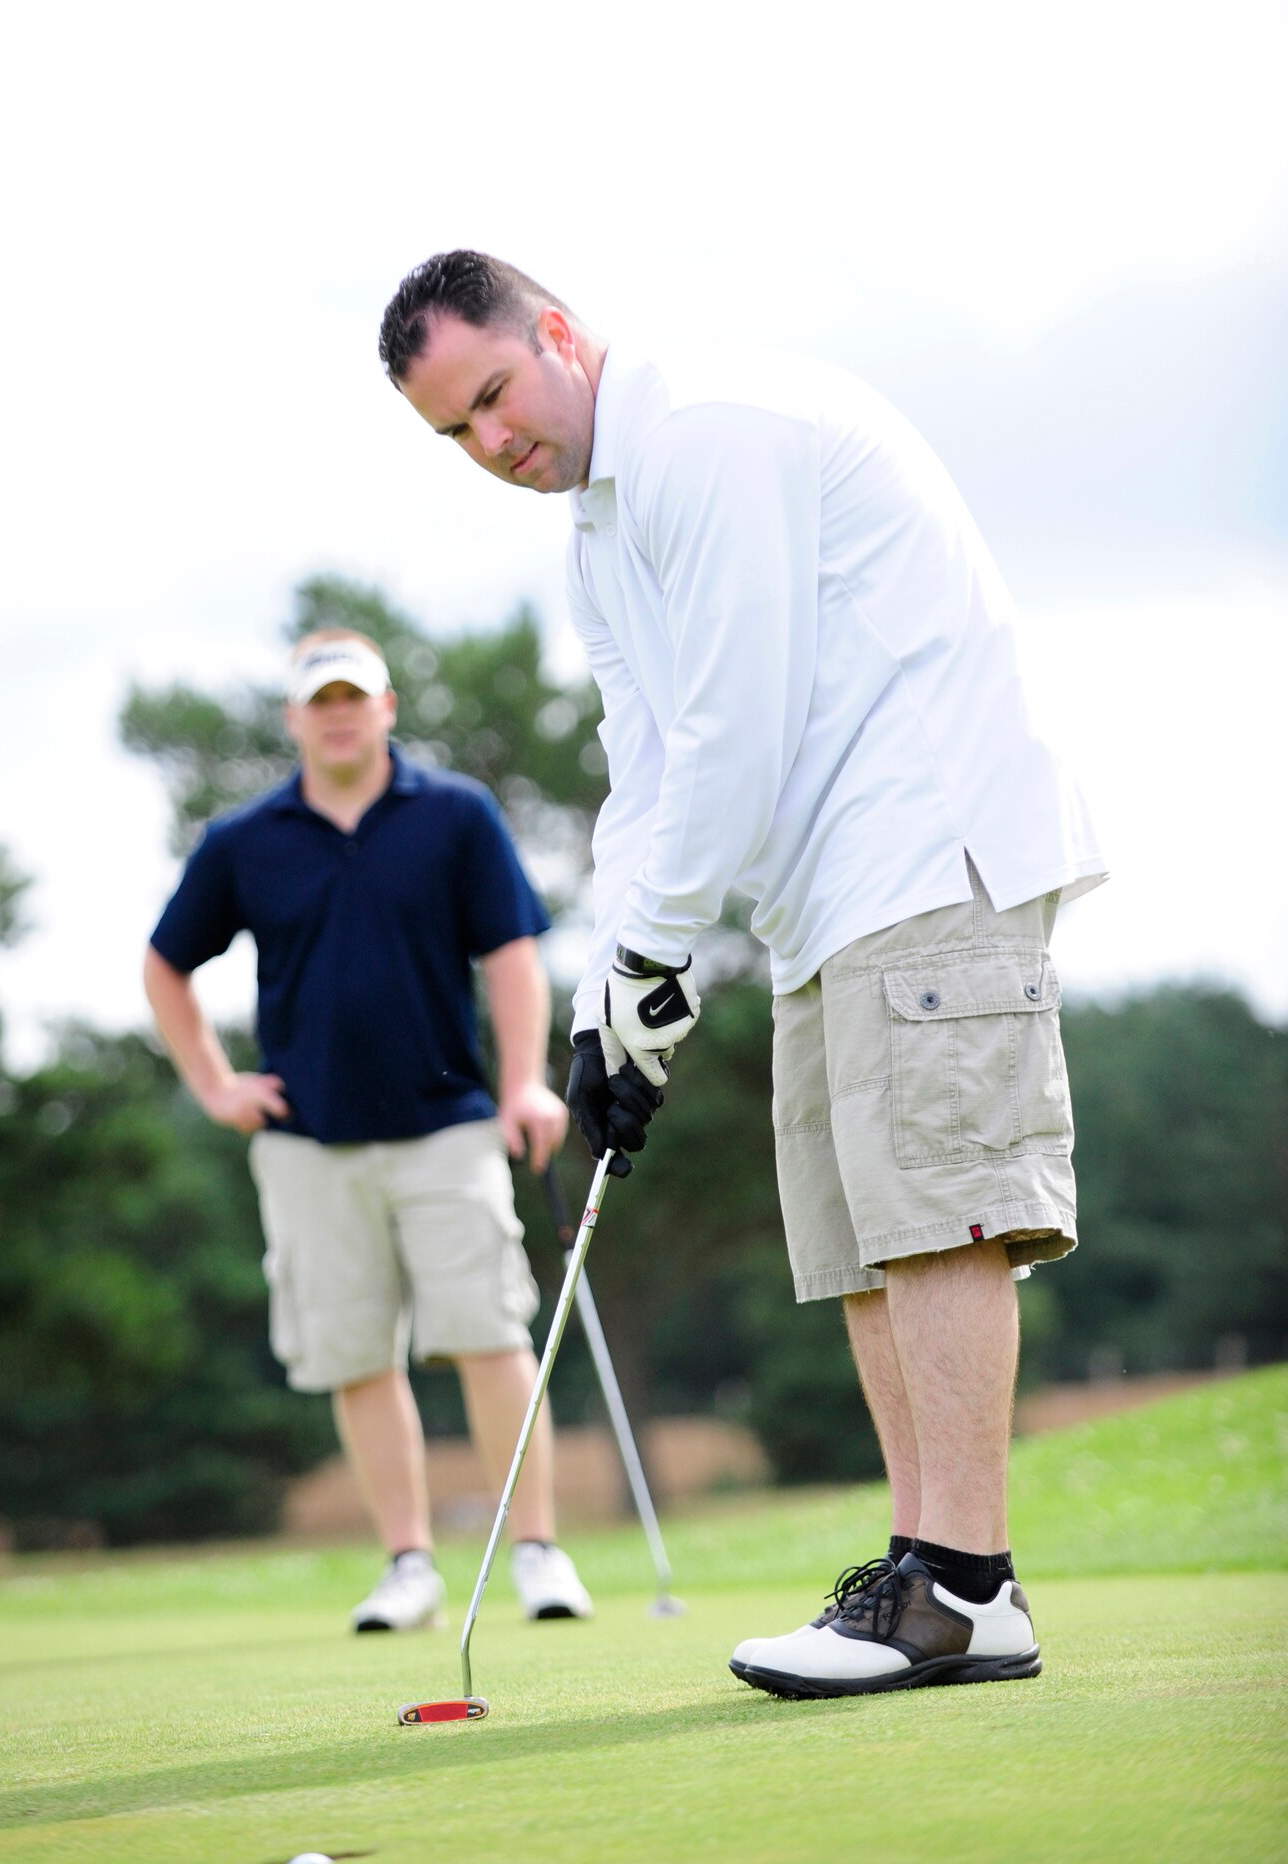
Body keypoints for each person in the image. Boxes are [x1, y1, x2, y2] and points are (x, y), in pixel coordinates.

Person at [378, 252, 1108, 1700]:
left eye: (495, 396)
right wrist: (610, 1004)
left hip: (924, 845)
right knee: (858, 1241)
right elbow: (645, 771)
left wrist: (657, 959)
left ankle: (963, 1585)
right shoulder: (599, 537)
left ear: (560, 337)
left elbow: (735, 724)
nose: (492, 443)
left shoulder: (709, 428)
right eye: (454, 433)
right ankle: (932, 1574)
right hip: (821, 903)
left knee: (935, 1217)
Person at [143, 627, 594, 1631]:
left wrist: (525, 1082)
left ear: (386, 706)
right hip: (307, 1137)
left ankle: (535, 1549)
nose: (339, 711)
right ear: (295, 717)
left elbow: (511, 953)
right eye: (321, 698)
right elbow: (165, 963)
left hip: (446, 1123)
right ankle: (408, 1564)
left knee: (485, 1332)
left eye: (356, 695)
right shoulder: (243, 839)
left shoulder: (454, 815)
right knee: (354, 1354)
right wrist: (216, 1085)